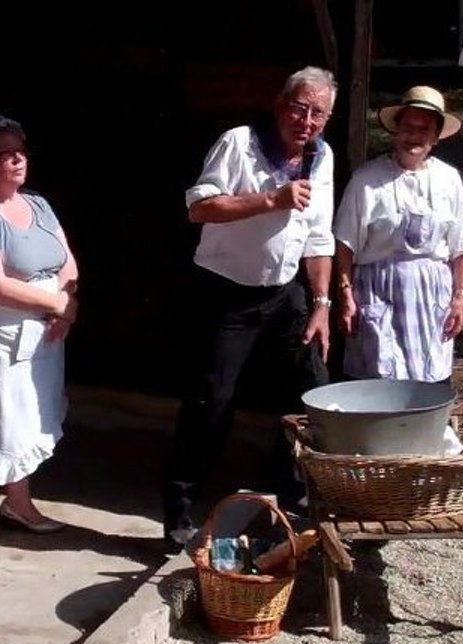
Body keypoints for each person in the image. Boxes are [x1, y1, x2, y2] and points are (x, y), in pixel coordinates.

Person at [163, 66, 338, 548]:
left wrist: (322, 303)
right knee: (212, 401)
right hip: (226, 291)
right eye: (299, 107)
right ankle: (178, 508)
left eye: (317, 113)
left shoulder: (321, 158)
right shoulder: (239, 142)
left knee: (313, 391)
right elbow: (200, 207)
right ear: (280, 104)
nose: (306, 120)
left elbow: (318, 238)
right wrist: (270, 199)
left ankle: (292, 492)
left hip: (286, 293)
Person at [0, 114, 79, 571]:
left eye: (19, 149)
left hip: (43, 330)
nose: (15, 158)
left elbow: (67, 263)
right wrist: (57, 303)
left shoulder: (39, 204)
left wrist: (68, 299)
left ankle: (19, 503)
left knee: (28, 416)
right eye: (2, 152)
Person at [333, 86, 463, 384]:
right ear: (395, 130)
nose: (414, 136)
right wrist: (346, 293)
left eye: (423, 129)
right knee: (378, 377)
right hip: (378, 290)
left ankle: (426, 429)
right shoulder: (367, 180)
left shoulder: (447, 180)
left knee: (429, 379)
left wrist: (460, 298)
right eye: (408, 127)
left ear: (436, 137)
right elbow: (345, 241)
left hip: (430, 295)